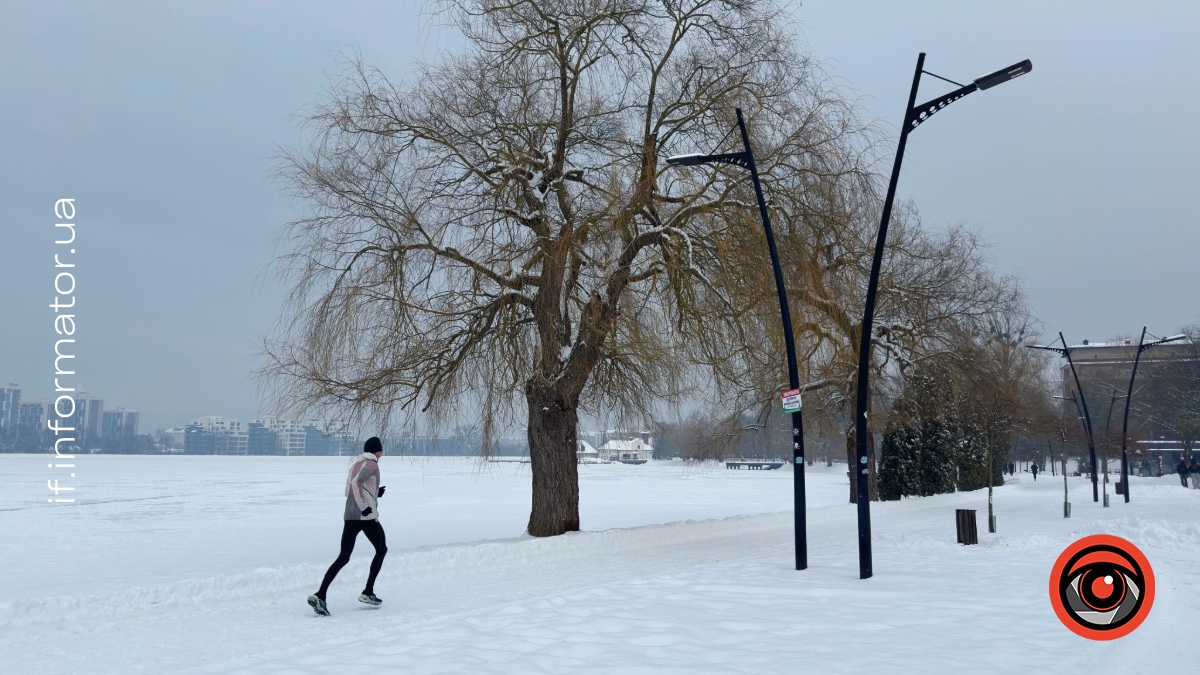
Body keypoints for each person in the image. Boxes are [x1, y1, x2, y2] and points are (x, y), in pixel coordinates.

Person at [308, 437, 389, 616]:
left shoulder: (356, 463)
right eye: (381, 450)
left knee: (343, 556)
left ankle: (320, 595)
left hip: (349, 515)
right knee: (382, 549)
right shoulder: (372, 465)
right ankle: (368, 592)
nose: (381, 453)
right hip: (365, 516)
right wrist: (365, 506)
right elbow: (356, 484)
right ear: (377, 451)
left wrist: (376, 493)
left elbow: (348, 490)